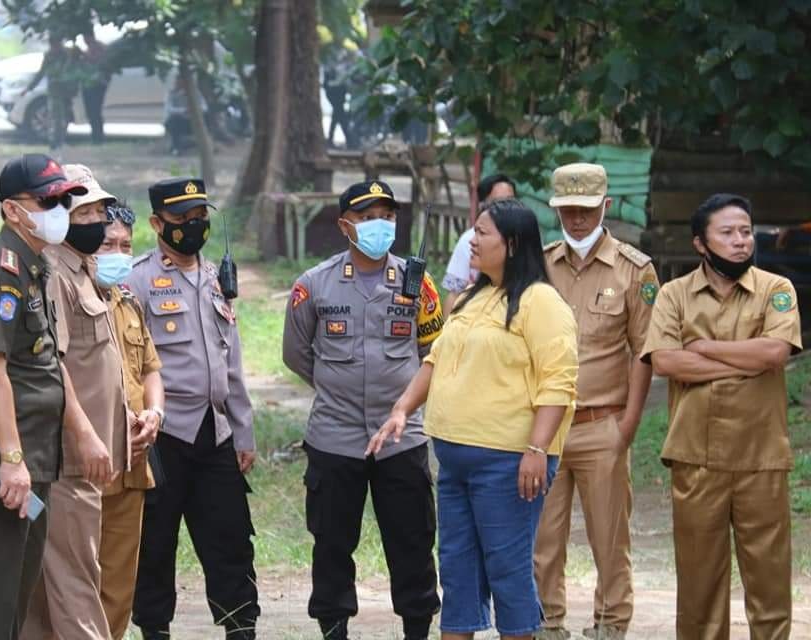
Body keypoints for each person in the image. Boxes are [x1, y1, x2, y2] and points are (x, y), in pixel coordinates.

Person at [369, 198, 579, 640]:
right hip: (454, 459)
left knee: (507, 568)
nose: (472, 241)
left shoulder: (543, 303)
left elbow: (558, 383)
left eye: (482, 233)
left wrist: (537, 449)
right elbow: (435, 361)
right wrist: (402, 408)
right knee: (457, 568)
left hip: (509, 462)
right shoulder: (470, 297)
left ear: (514, 243)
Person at [0, 153, 112, 639]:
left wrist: (79, 431)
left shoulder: (33, 267)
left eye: (64, 199)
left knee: (17, 589)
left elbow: (46, 367)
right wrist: (12, 459)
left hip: (35, 469)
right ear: (12, 210)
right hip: (1, 470)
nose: (59, 209)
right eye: (48, 200)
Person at [282, 180, 444, 640]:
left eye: (388, 216)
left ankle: (417, 627)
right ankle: (333, 628)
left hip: (402, 437)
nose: (380, 225)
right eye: (368, 216)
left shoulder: (419, 284)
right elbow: (296, 353)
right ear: (344, 225)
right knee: (332, 543)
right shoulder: (314, 285)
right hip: (335, 437)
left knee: (412, 542)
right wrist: (337, 389)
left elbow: (434, 353)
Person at [640, 193, 802, 640]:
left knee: (769, 585)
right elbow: (667, 363)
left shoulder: (776, 290)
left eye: (746, 232)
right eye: (727, 233)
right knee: (699, 588)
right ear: (700, 243)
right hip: (696, 458)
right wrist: (746, 362)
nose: (740, 242)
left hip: (761, 455)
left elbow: (774, 352)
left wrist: (705, 349)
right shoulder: (673, 295)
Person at [128, 178, 258, 640]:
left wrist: (243, 431)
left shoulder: (216, 277)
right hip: (163, 435)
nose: (193, 226)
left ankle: (241, 628)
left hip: (216, 434)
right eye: (182, 219)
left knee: (231, 542)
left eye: (200, 216)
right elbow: (128, 364)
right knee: (155, 544)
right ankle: (155, 630)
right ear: (157, 223)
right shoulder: (137, 280)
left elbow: (232, 360)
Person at [532, 163, 659, 640]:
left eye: (586, 209)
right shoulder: (539, 265)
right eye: (567, 209)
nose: (577, 218)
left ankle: (610, 624)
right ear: (556, 209)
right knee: (543, 537)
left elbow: (646, 350)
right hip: (546, 427)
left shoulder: (634, 269)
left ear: (605, 206)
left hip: (603, 422)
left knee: (609, 537)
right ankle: (547, 623)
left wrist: (627, 424)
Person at [22, 163, 128, 639]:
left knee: (53, 584)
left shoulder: (85, 271)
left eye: (101, 211)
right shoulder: (54, 275)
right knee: (77, 581)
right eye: (84, 212)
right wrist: (85, 436)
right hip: (68, 459)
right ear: (62, 214)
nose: (96, 221)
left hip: (88, 458)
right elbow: (55, 365)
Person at [96, 200, 163, 638]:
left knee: (119, 587)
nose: (118, 254)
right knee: (72, 580)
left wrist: (154, 412)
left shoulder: (127, 303)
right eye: (108, 244)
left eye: (126, 245)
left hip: (133, 463)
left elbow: (151, 369)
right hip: (87, 463)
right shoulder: (66, 299)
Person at [441, 174, 517, 310]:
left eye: (511, 202)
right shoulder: (468, 241)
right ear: (483, 206)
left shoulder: (524, 236)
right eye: (499, 203)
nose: (507, 209)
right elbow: (454, 293)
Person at [25, 33, 77, 149]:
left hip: (66, 91)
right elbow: (41, 73)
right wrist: (29, 88)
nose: (55, 47)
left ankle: (60, 140)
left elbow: (71, 71)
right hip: (54, 91)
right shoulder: (49, 56)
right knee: (56, 117)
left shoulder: (66, 55)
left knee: (64, 118)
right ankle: (54, 142)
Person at [80, 28, 111, 144]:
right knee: (90, 112)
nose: (84, 40)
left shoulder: (100, 48)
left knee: (95, 111)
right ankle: (95, 137)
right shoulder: (88, 49)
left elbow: (99, 62)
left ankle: (98, 138)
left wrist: (84, 56)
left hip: (98, 84)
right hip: (88, 83)